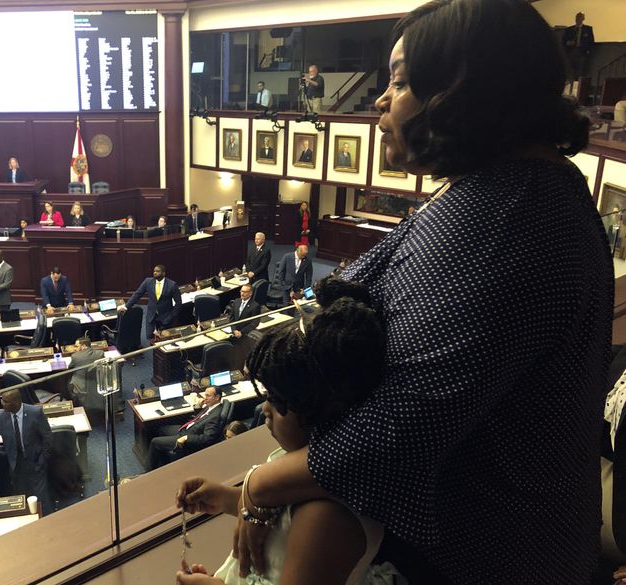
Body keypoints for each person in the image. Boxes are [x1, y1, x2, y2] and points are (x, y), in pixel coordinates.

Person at [229, 2, 610, 584]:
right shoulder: (516, 190)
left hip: (491, 558)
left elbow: (399, 428)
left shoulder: (509, 218)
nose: (380, 100)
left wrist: (260, 485)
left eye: (401, 82)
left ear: (465, 93)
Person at [176, 286, 397, 585]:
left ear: (317, 408)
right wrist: (226, 499)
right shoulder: (299, 464)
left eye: (279, 402)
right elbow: (282, 517)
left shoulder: (326, 518)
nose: (265, 409)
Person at [0, 389, 54, 515]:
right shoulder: (0, 417)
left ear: (17, 402)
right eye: (2, 400)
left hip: (35, 461)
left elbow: (48, 437)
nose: (2, 403)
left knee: (42, 500)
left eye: (6, 401)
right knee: (21, 501)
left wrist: (43, 458)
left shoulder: (35, 412)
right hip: (15, 464)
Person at [148, 386, 225, 470]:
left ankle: (148, 471)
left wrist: (187, 438)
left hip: (188, 437)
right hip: (186, 429)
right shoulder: (212, 405)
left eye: (208, 395)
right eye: (205, 395)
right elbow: (201, 418)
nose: (204, 398)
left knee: (154, 442)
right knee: (162, 429)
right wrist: (198, 406)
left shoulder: (215, 415)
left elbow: (207, 438)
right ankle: (164, 463)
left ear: (217, 397)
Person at [121, 264, 182, 340]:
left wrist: (171, 316)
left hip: (166, 317)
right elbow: (137, 294)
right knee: (149, 338)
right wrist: (126, 306)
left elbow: (178, 303)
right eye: (154, 271)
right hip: (151, 315)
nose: (155, 273)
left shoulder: (172, 285)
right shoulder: (148, 281)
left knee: (164, 340)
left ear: (163, 273)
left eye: (158, 271)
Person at [563, 11, 594, 81]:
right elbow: (563, 41)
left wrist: (588, 51)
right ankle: (569, 84)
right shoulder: (570, 29)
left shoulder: (588, 29)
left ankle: (576, 86)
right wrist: (568, 43)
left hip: (582, 52)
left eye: (580, 17)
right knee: (570, 70)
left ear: (583, 19)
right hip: (571, 51)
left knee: (580, 71)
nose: (578, 19)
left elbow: (591, 41)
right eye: (577, 17)